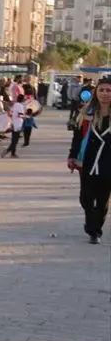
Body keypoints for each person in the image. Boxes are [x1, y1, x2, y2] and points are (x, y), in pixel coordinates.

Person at [69, 76, 111, 244]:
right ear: (96, 92)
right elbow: (77, 137)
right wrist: (72, 155)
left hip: (108, 162)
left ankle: (95, 231)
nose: (105, 93)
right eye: (101, 90)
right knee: (85, 197)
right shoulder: (87, 113)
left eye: (108, 90)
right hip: (87, 160)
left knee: (102, 199)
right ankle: (90, 221)